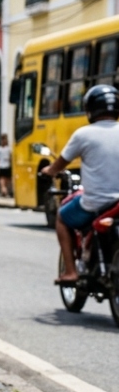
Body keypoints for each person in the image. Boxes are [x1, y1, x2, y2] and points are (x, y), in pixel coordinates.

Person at [42, 84, 119, 285]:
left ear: (90, 110)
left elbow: (60, 164)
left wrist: (49, 171)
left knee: (61, 217)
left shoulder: (83, 134)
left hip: (95, 203)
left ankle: (70, 271)